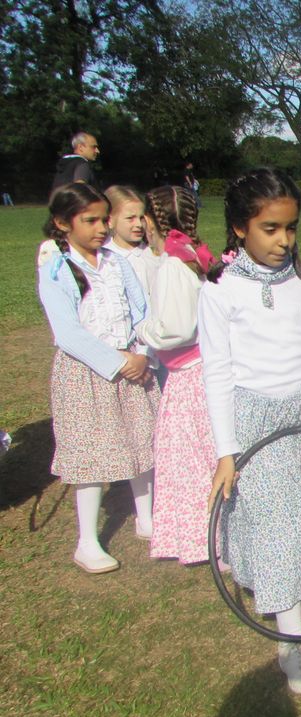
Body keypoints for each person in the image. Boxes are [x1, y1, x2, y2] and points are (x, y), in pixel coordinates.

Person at [200, 169, 301, 693]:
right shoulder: (220, 291)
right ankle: (291, 646)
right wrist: (226, 452)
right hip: (257, 422)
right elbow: (216, 374)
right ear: (239, 228)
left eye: (290, 228)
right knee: (278, 525)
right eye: (270, 228)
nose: (283, 240)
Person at [37, 184, 160, 573]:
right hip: (87, 372)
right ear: (63, 223)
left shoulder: (116, 263)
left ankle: (147, 518)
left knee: (142, 440)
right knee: (90, 454)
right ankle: (87, 542)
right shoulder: (56, 268)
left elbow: (142, 312)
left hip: (133, 364)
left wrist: (143, 354)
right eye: (89, 220)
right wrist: (117, 362)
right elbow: (68, 333)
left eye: (104, 219)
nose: (101, 228)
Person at [133, 186, 220, 566]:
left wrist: (143, 330)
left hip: (188, 374)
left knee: (191, 459)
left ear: (151, 220)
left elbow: (177, 329)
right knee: (204, 453)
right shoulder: (192, 255)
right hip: (201, 369)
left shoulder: (173, 264)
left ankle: (209, 538)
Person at [103, 185, 161, 299]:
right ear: (110, 221)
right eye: (130, 218)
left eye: (141, 218)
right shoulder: (104, 258)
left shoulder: (152, 255)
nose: (139, 224)